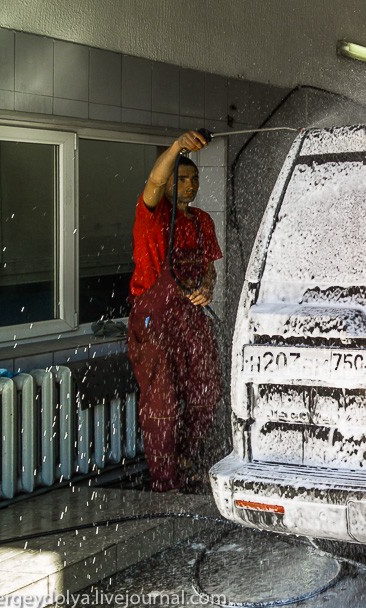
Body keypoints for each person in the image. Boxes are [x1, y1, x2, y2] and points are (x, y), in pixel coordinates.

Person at [127, 130, 222, 493]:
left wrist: (207, 289)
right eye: (181, 179)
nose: (190, 185)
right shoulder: (151, 214)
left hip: (190, 317)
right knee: (162, 401)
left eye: (194, 179)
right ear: (168, 183)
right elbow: (153, 181)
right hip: (154, 320)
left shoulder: (202, 221)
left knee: (206, 392)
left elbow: (209, 268)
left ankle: (185, 462)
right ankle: (164, 481)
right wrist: (177, 147)